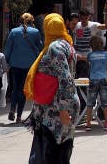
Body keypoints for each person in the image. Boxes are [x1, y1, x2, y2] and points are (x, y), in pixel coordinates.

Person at [25, 14, 78, 164]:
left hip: (55, 108)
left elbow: (65, 78)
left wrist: (63, 109)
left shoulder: (55, 47)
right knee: (59, 149)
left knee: (54, 151)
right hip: (55, 105)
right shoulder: (66, 44)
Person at [4, 13, 43, 123]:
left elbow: (8, 49)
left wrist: (5, 62)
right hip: (29, 65)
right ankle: (19, 116)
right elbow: (40, 48)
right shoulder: (35, 32)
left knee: (15, 88)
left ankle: (12, 108)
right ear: (32, 21)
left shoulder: (13, 31)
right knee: (23, 89)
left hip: (15, 64)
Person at [85, 35, 107, 132]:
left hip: (93, 79)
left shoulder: (90, 55)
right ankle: (106, 123)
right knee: (105, 102)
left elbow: (89, 65)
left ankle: (88, 123)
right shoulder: (106, 54)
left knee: (90, 103)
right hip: (103, 79)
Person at [74, 8, 107, 78]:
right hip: (77, 57)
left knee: (88, 78)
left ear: (89, 17)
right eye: (82, 18)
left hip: (88, 58)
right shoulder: (77, 25)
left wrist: (105, 14)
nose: (83, 20)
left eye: (86, 18)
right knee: (78, 79)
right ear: (79, 17)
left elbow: (105, 26)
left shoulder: (94, 25)